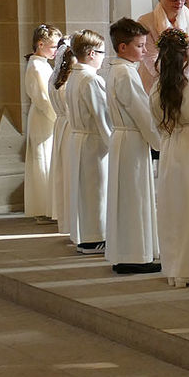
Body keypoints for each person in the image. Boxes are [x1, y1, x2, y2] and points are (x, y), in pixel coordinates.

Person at [150, 28, 189, 288]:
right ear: (187, 58)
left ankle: (175, 268)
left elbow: (155, 121)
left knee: (174, 208)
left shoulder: (156, 89)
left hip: (171, 147)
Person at [104, 18, 162, 274]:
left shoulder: (116, 70)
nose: (145, 51)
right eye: (140, 46)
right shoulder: (126, 74)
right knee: (134, 198)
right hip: (131, 139)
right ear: (123, 47)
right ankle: (136, 256)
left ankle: (125, 253)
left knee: (126, 199)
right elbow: (142, 112)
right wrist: (160, 142)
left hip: (123, 139)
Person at [65, 30, 112, 254]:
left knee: (84, 190)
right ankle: (95, 238)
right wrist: (115, 143)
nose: (104, 57)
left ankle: (85, 236)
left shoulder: (74, 76)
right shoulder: (92, 79)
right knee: (96, 190)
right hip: (93, 142)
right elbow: (101, 116)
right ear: (92, 53)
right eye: (102, 52)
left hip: (78, 138)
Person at [23, 24, 62, 222]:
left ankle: (49, 205)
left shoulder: (44, 63)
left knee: (47, 157)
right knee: (43, 158)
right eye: (53, 46)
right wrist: (58, 115)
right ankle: (43, 207)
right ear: (40, 44)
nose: (56, 51)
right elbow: (42, 98)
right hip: (43, 116)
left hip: (46, 115)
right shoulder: (36, 66)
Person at [48, 40, 75, 233]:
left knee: (63, 172)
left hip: (61, 126)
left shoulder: (56, 80)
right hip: (70, 127)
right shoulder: (69, 85)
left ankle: (66, 215)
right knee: (68, 173)